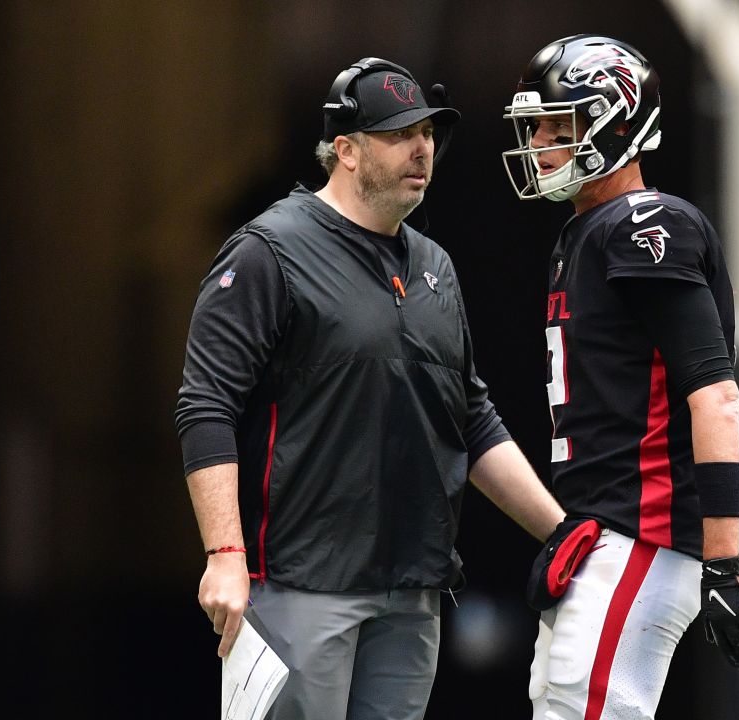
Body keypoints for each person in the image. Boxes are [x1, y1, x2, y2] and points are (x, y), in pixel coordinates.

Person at [176, 57, 565, 720]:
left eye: (430, 134)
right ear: (346, 152)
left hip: (413, 592)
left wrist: (562, 535)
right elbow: (205, 403)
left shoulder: (435, 266)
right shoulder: (270, 250)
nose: (422, 149)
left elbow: (470, 419)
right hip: (302, 586)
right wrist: (224, 555)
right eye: (400, 134)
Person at [501, 35, 739, 719]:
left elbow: (715, 395)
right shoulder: (584, 234)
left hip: (640, 535)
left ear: (613, 122)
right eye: (535, 126)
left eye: (556, 127)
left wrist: (725, 563)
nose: (538, 141)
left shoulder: (644, 224)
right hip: (606, 534)